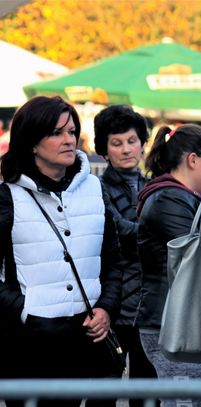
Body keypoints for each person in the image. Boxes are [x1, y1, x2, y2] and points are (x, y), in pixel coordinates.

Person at [0, 96, 123, 406]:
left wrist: (106, 307)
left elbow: (112, 259)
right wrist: (24, 311)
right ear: (31, 142)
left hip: (88, 337)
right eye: (56, 133)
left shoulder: (95, 188)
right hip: (30, 345)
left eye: (71, 131)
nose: (69, 140)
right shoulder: (7, 196)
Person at [136, 124, 201, 407]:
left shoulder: (177, 196)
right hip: (170, 323)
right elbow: (199, 253)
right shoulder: (169, 198)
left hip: (177, 319)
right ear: (193, 160)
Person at [93, 105, 158, 405]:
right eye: (116, 143)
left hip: (148, 303)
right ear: (103, 149)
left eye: (132, 141)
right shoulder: (96, 187)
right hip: (113, 301)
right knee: (105, 386)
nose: (126, 149)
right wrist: (154, 235)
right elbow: (117, 232)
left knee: (147, 389)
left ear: (143, 142)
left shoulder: (152, 185)